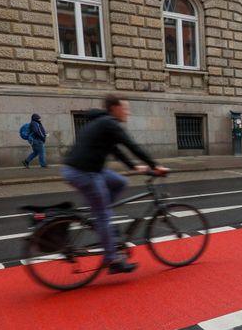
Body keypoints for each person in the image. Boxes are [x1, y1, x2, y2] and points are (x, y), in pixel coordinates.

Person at [62, 95, 167, 274]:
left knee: (120, 182)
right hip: (84, 172)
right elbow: (132, 145)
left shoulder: (103, 124)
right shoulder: (109, 123)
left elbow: (116, 150)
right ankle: (113, 259)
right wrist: (154, 165)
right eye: (125, 108)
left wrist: (134, 166)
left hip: (87, 169)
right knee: (104, 214)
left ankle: (101, 215)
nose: (127, 112)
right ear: (115, 108)